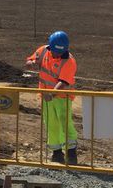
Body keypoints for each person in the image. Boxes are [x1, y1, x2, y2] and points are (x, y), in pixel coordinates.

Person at [25, 31, 79, 164]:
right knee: (51, 124)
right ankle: (56, 153)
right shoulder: (43, 51)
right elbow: (30, 60)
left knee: (65, 123)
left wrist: (52, 93)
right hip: (46, 97)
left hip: (62, 97)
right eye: (55, 52)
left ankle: (71, 154)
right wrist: (31, 63)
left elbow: (64, 82)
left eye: (60, 52)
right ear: (50, 47)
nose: (57, 55)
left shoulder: (69, 61)